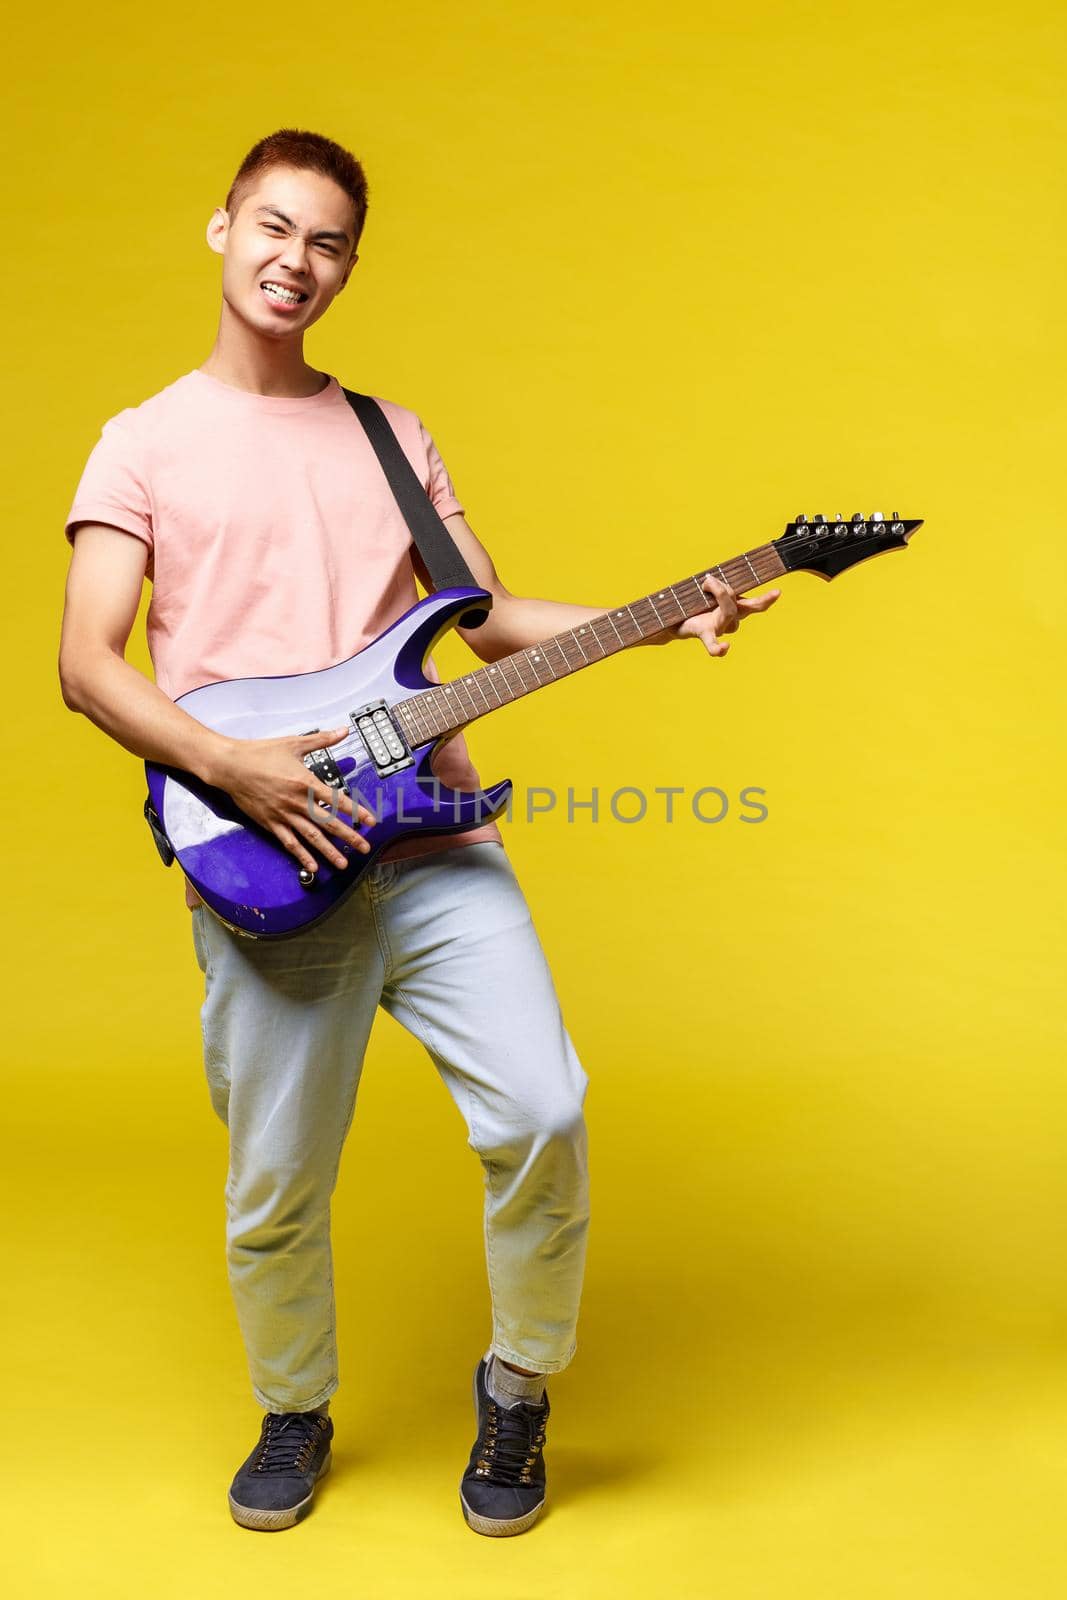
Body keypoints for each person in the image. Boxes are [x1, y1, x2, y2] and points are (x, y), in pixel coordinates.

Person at [58, 127, 780, 1537]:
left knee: (546, 1108)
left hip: (435, 843)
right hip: (268, 847)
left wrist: (663, 613)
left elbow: (479, 620)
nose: (295, 260)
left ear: (348, 267)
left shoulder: (394, 437)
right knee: (275, 1184)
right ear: (222, 230)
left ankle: (518, 1389)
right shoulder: (141, 442)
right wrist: (235, 766)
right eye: (273, 227)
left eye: (326, 242)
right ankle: (294, 1404)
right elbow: (90, 663)